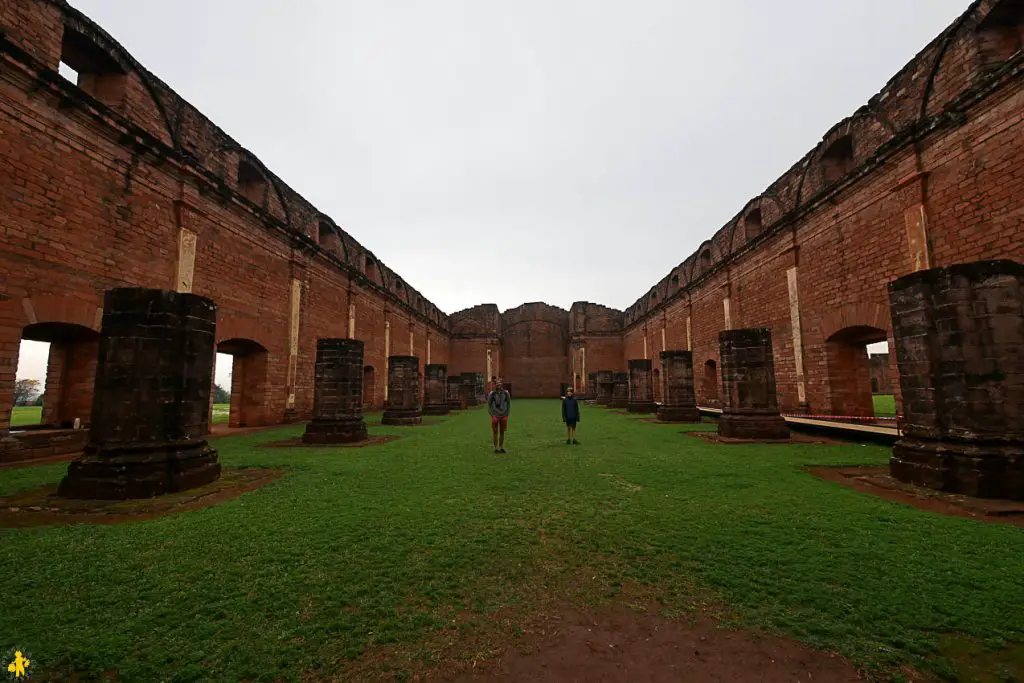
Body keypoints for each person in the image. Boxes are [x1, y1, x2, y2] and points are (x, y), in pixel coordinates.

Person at [487, 378, 511, 454]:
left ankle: (501, 447)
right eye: (497, 383)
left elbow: (508, 403)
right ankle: (496, 448)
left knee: (502, 431)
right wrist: (491, 414)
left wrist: (507, 413)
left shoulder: (506, 393)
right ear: (494, 384)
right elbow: (489, 405)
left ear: (501, 384)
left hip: (503, 414)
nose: (498, 384)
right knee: (495, 432)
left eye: (499, 383)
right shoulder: (492, 394)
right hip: (495, 415)